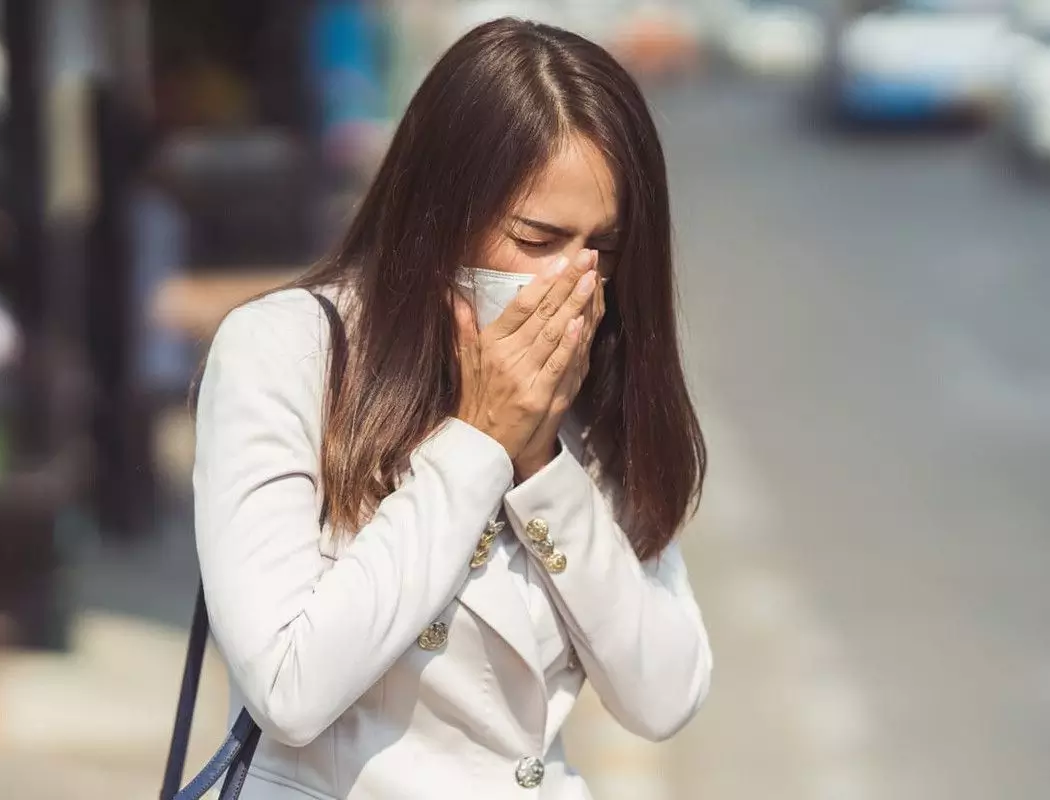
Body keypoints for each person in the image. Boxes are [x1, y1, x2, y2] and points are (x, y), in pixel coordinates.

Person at [192, 17, 710, 799]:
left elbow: (663, 694)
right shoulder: (287, 352)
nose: (573, 279)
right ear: (441, 217)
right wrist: (478, 442)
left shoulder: (591, 383)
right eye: (537, 239)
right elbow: (288, 686)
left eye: (599, 245)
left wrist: (542, 466)